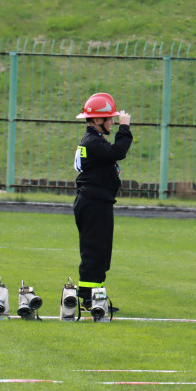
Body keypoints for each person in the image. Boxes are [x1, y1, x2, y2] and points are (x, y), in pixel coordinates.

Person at [72, 92, 132, 321]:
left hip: (98, 202)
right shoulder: (93, 142)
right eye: (109, 119)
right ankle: (88, 300)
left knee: (100, 252)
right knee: (94, 251)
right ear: (97, 120)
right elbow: (118, 152)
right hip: (93, 203)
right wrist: (125, 129)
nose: (112, 123)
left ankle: (95, 297)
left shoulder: (95, 140)